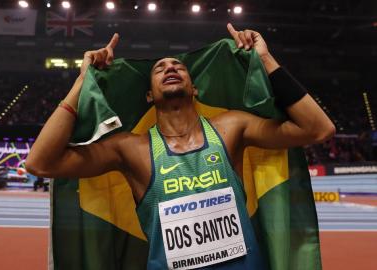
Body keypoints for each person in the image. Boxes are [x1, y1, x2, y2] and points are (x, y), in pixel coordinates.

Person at [26, 24, 335, 269]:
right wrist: (83, 81)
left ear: (194, 88)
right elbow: (40, 163)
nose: (170, 68)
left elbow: (318, 128)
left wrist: (264, 57)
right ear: (149, 96)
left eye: (178, 66)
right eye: (159, 69)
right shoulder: (131, 149)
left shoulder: (230, 128)